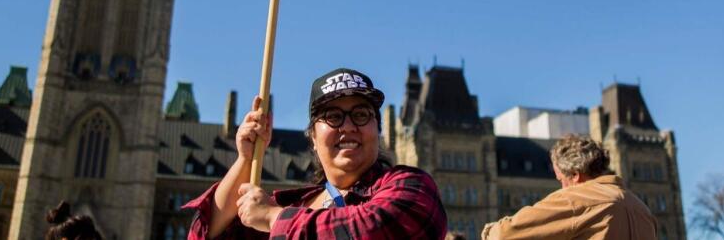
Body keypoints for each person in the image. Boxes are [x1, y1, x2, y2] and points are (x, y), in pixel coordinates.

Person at [184, 67, 447, 239]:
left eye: (361, 115)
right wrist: (245, 159)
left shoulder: (411, 186)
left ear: (377, 129)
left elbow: (381, 227)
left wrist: (271, 216)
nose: (347, 126)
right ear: (312, 136)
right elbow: (203, 234)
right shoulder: (294, 206)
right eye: (333, 116)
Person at [481, 134, 657, 239]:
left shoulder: (578, 199)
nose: (561, 188)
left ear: (575, 175)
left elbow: (504, 234)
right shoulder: (641, 209)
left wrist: (489, 231)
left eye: (560, 179)